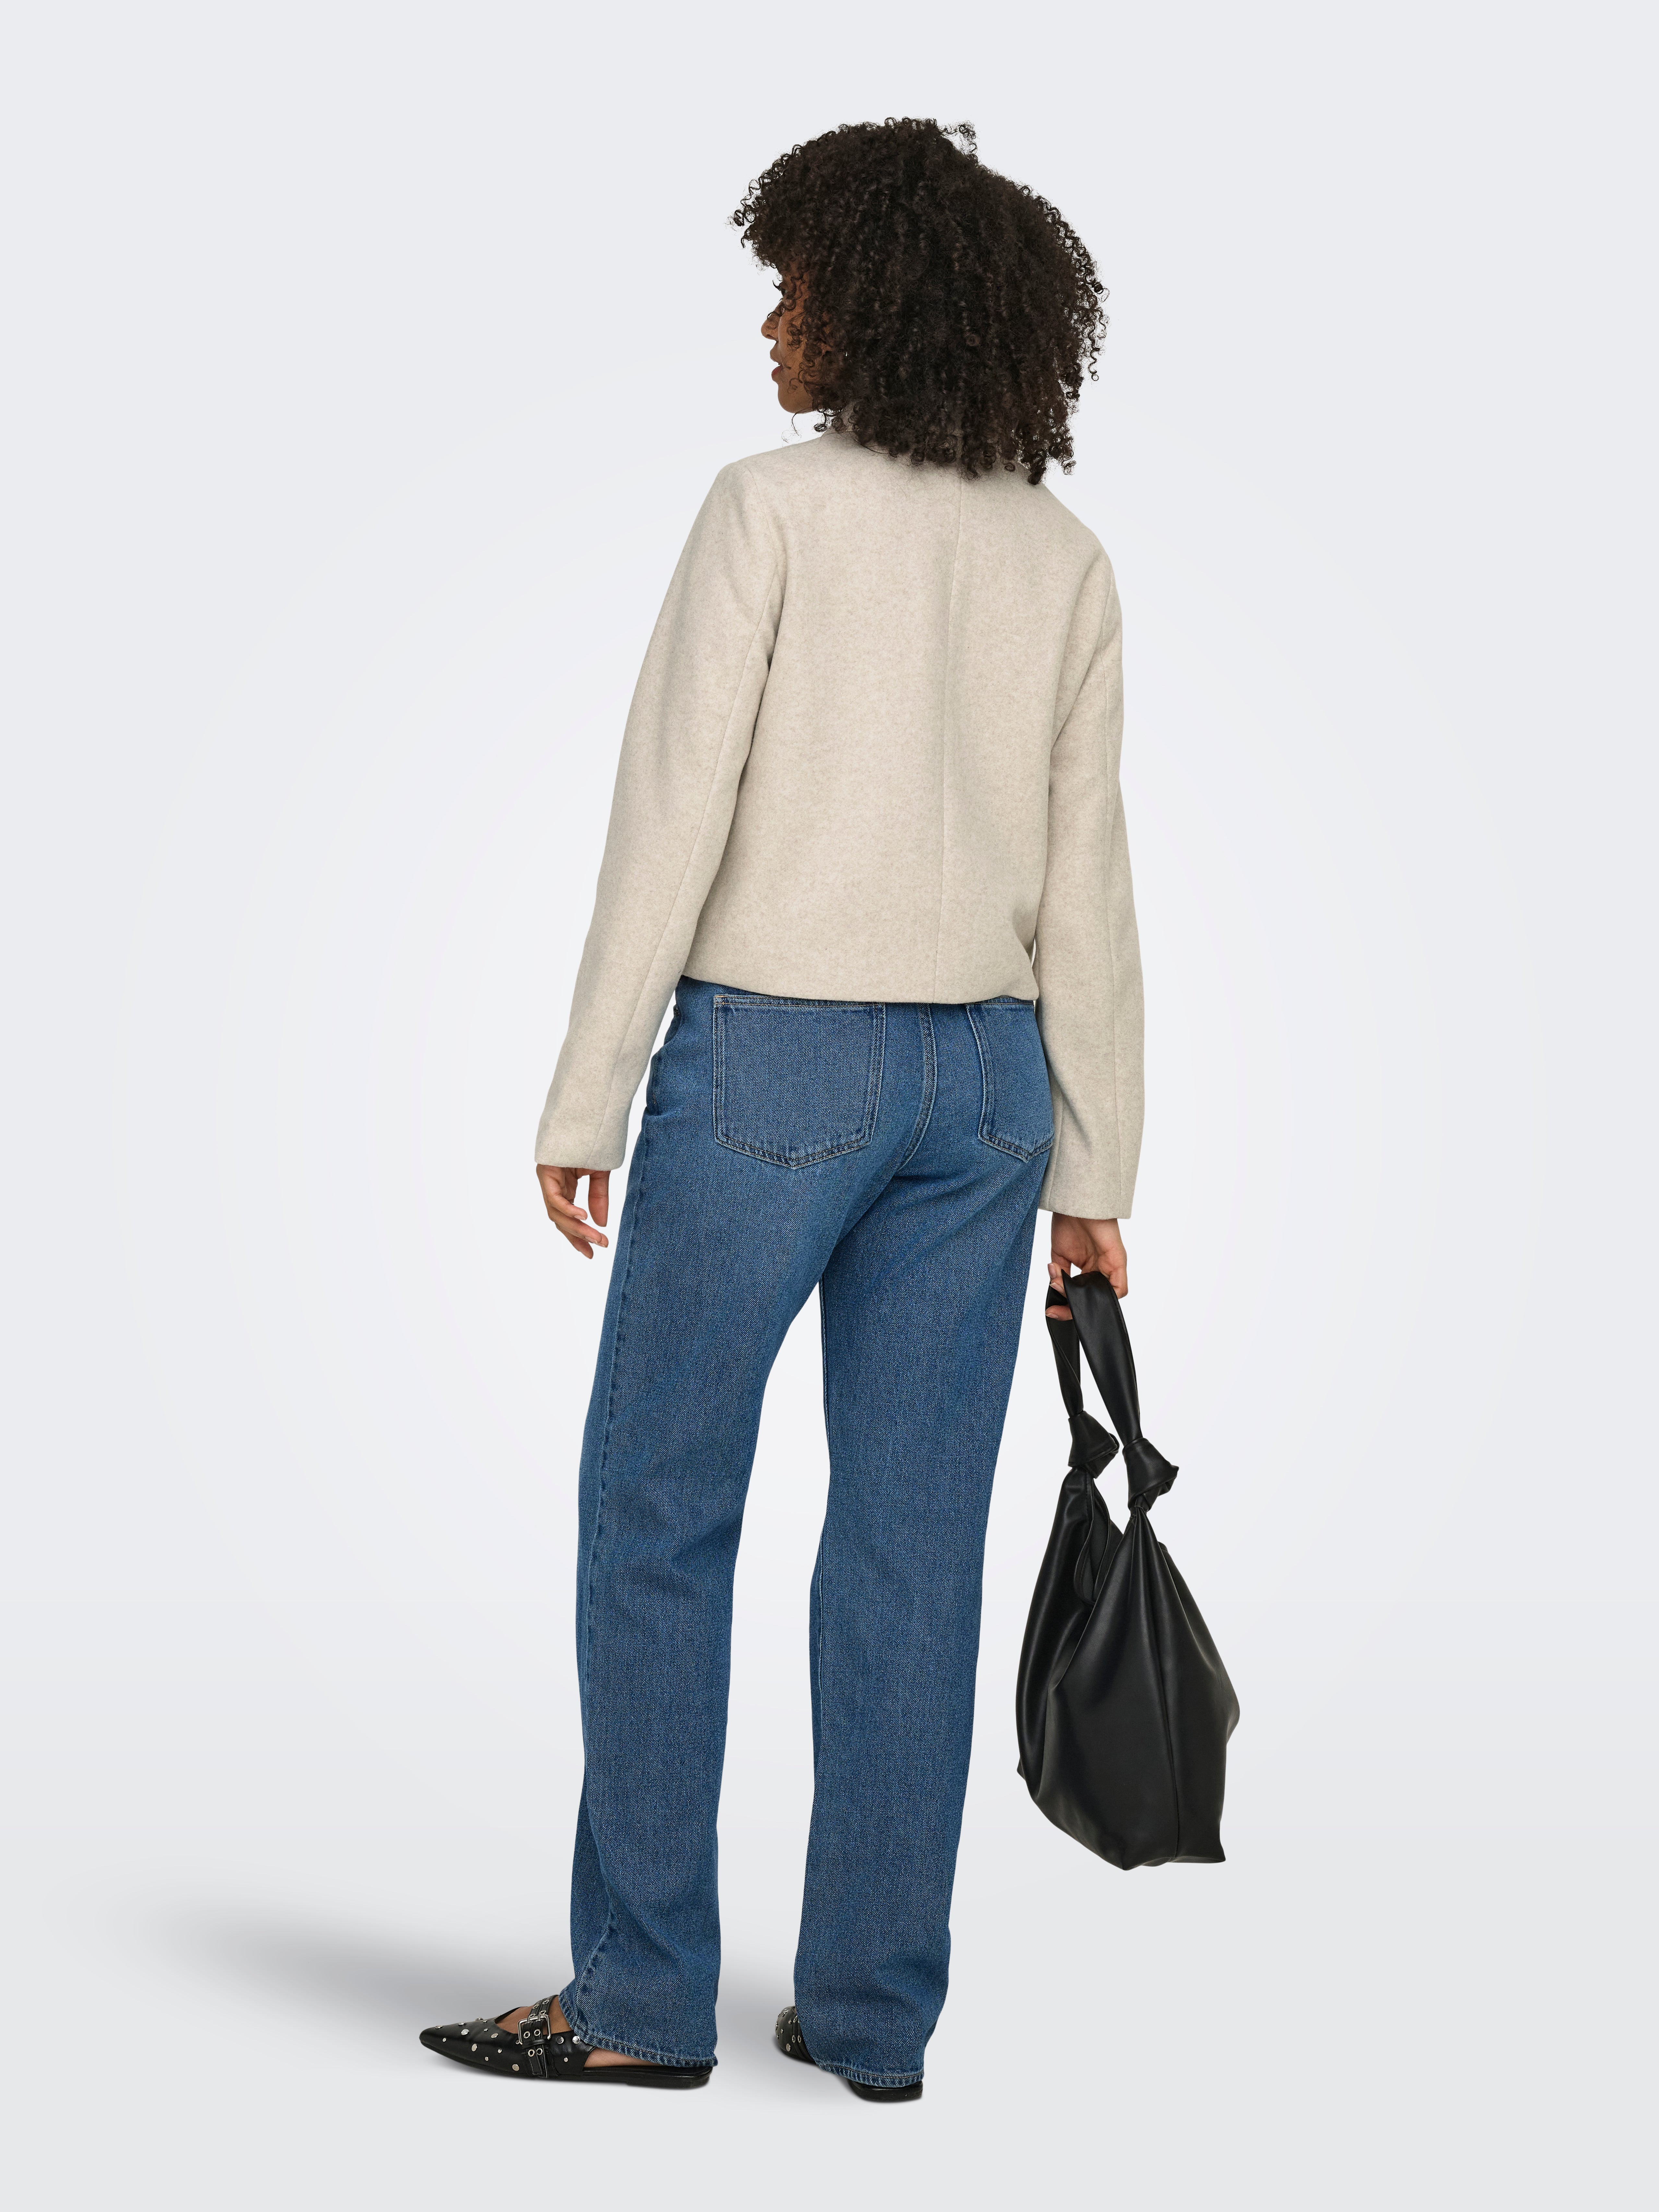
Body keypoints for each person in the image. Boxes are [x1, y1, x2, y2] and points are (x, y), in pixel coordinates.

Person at [421, 116, 1143, 2100]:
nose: (771, 322)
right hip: (987, 1089)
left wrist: (587, 1086)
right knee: (912, 1552)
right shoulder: (1063, 559)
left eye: (794, 284)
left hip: (772, 1067)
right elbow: (1090, 879)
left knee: (660, 1509)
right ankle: (878, 2015)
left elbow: (675, 811)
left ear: (870, 302)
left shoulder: (770, 509)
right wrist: (1098, 1162)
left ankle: (642, 1996)